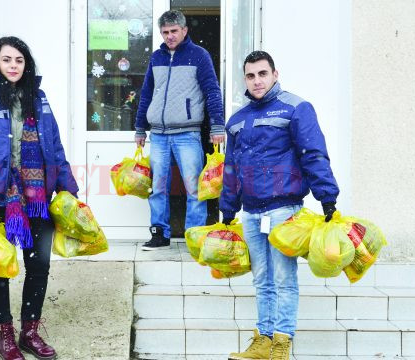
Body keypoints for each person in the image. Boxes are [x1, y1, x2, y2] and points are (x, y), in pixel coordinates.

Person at [0, 36, 78, 360]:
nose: (13, 66)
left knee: (38, 266)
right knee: (0, 267)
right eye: (7, 59)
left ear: (26, 64)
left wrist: (69, 190)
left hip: (37, 196)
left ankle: (30, 332)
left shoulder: (38, 99)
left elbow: (54, 146)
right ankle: (5, 335)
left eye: (19, 60)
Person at [220, 51, 339, 360]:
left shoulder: (296, 108)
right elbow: (230, 168)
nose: (257, 80)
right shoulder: (236, 121)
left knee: (284, 279)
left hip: (284, 211)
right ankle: (262, 341)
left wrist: (327, 197)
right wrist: (227, 208)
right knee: (262, 279)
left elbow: (313, 153)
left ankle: (282, 343)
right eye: (250, 75)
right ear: (244, 79)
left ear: (275, 73)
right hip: (252, 212)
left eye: (262, 73)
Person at [134, 10, 225, 250]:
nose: (169, 36)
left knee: (194, 188)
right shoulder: (156, 57)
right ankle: (159, 233)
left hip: (188, 133)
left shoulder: (199, 55)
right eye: (165, 32)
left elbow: (212, 92)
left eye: (174, 31)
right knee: (158, 187)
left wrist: (217, 125)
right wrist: (140, 128)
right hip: (159, 135)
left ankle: (193, 236)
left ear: (184, 30)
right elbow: (146, 94)